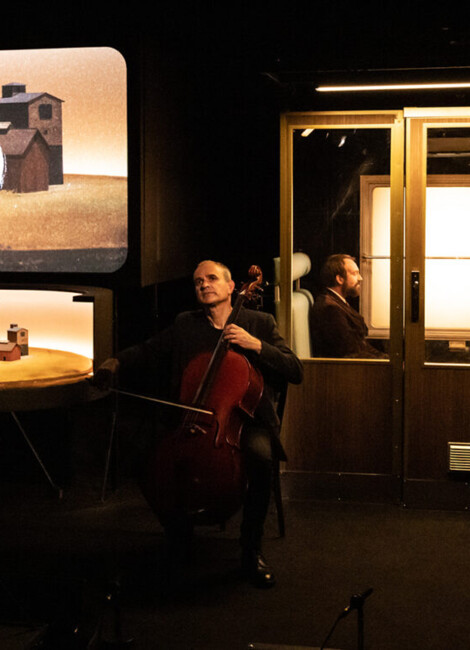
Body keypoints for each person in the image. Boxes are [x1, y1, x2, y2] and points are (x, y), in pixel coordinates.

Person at [93, 260, 303, 588]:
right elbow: (148, 350)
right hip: (195, 419)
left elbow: (295, 370)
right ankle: (178, 535)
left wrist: (255, 344)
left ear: (232, 287)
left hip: (247, 421)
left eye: (212, 278)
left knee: (261, 458)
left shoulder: (259, 322)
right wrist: (113, 362)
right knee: (144, 455)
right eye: (197, 282)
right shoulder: (185, 325)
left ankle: (250, 550)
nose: (204, 284)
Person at [311, 254, 387, 359]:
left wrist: (387, 359)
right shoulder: (330, 309)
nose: (360, 278)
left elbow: (360, 345)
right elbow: (351, 353)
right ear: (340, 279)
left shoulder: (338, 302)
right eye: (355, 274)